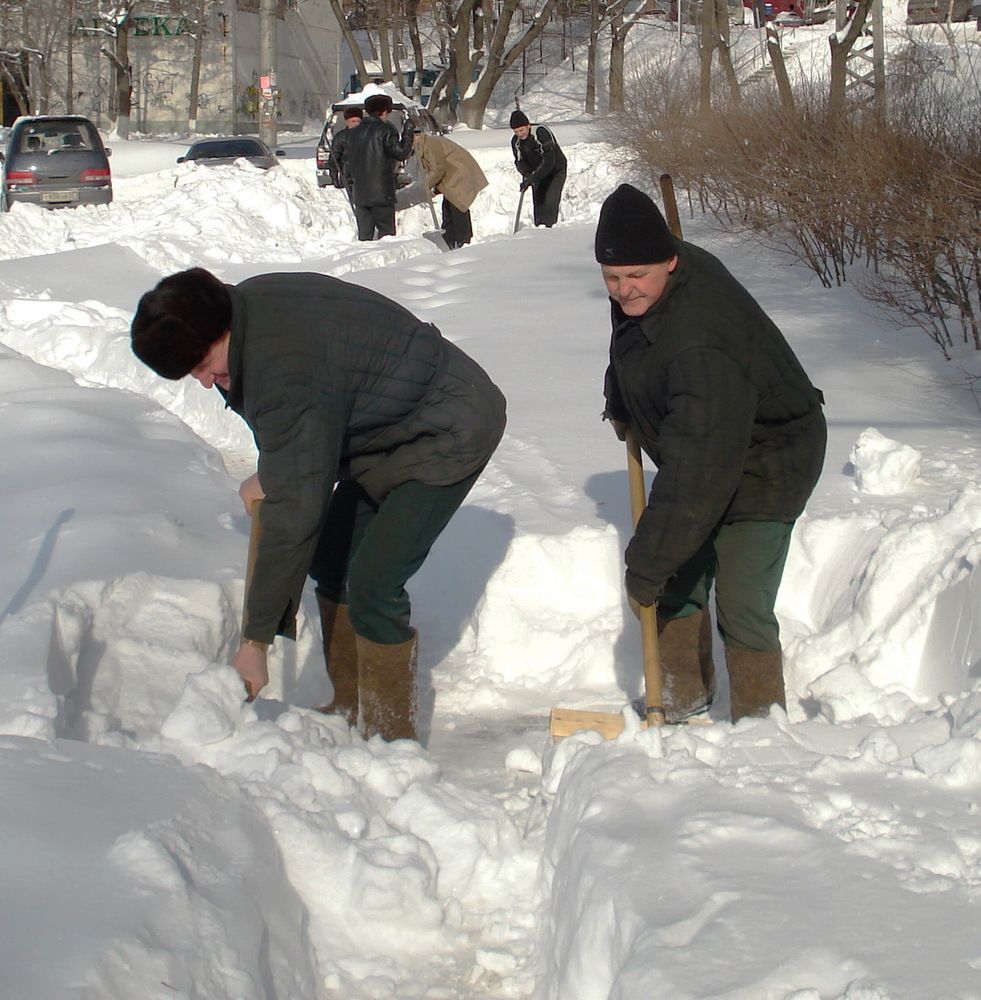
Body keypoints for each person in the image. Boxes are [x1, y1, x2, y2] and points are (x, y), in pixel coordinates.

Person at [130, 267, 507, 742]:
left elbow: (295, 509)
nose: (206, 382)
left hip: (448, 429)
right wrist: (276, 470)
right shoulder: (247, 310)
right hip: (391, 429)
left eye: (203, 365)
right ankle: (350, 709)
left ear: (220, 328)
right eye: (193, 375)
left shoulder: (280, 365)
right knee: (332, 561)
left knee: (373, 584)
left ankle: (391, 742)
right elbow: (309, 422)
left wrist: (255, 641)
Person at [595, 183, 827, 724]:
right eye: (612, 278)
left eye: (635, 277)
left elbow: (699, 475)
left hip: (770, 458)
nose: (624, 291)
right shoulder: (653, 277)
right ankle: (679, 701)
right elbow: (631, 338)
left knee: (741, 600)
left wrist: (645, 566)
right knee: (679, 573)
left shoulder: (701, 339)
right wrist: (620, 396)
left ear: (671, 261)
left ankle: (758, 727)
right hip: (711, 438)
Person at [343, 93, 415, 241]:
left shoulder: (352, 133)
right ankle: (386, 264)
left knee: (365, 238)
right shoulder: (385, 130)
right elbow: (401, 153)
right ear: (384, 111)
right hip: (382, 193)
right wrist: (408, 132)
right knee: (387, 237)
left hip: (360, 193)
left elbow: (348, 162)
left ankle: (364, 263)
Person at [413, 130, 488, 249]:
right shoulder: (422, 146)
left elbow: (438, 169)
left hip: (459, 176)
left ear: (417, 136)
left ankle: (463, 242)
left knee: (458, 206)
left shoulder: (430, 144)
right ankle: (449, 240)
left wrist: (426, 186)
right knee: (448, 208)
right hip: (452, 177)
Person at [509, 109, 566, 229]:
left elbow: (549, 162)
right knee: (539, 206)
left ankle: (550, 232)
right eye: (516, 131)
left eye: (521, 130)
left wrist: (532, 178)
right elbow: (519, 162)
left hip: (555, 170)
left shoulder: (541, 132)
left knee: (550, 202)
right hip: (538, 173)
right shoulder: (516, 142)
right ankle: (538, 234)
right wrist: (528, 174)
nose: (519, 134)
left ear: (528, 126)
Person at [328, 107, 362, 196]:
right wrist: (334, 176)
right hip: (349, 176)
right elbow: (334, 158)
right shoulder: (341, 137)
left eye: (358, 121)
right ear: (347, 121)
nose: (356, 124)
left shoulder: (368, 136)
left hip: (367, 176)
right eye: (353, 121)